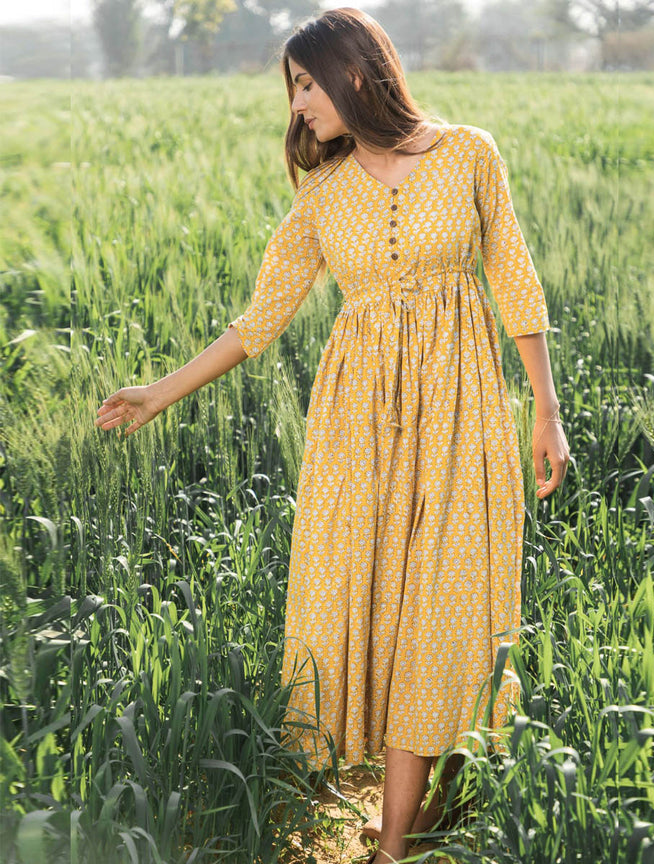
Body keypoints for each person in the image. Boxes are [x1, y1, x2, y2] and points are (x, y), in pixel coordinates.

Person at [95, 7, 570, 862]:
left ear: (356, 71)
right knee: (369, 605)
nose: (298, 106)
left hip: (462, 414)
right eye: (293, 90)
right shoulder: (324, 193)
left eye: (306, 84)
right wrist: (158, 395)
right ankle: (399, 823)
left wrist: (546, 410)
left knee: (440, 606)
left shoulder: (470, 154)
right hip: (357, 431)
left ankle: (392, 845)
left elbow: (516, 281)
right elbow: (258, 321)